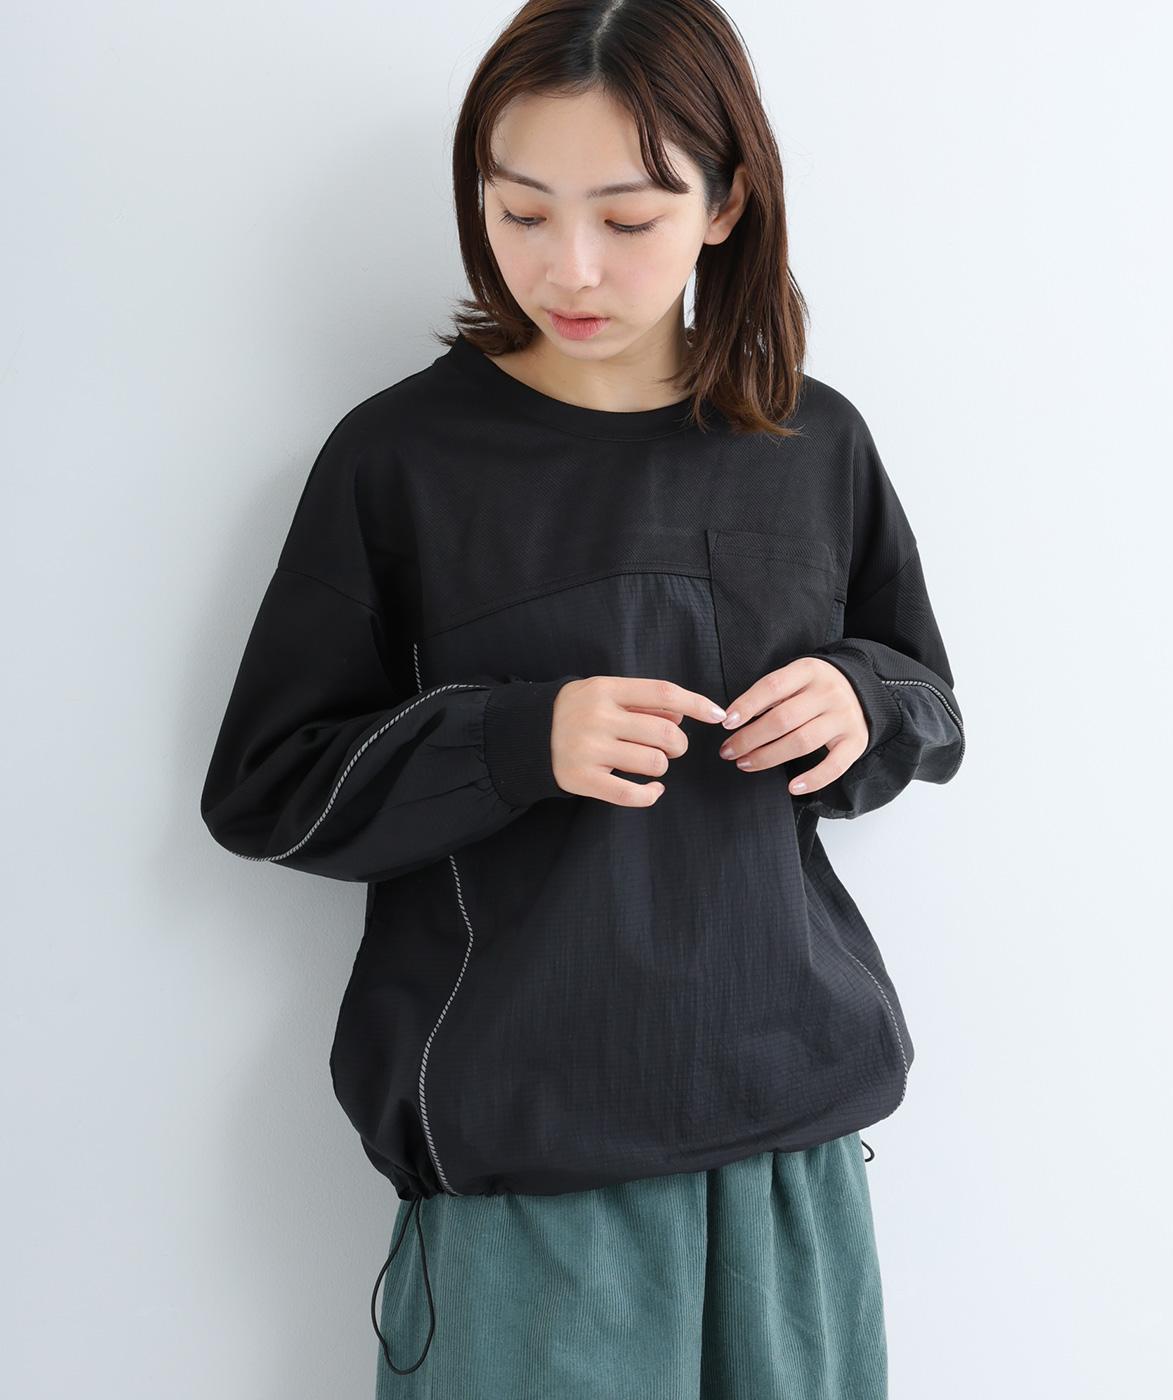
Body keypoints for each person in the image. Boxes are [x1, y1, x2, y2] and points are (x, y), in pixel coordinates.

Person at [200, 2, 965, 1395]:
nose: (569, 266)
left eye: (627, 217)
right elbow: (269, 789)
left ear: (726, 203)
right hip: (528, 1166)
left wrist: (863, 701)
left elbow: (927, 701)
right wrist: (514, 740)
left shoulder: (812, 440)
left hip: (791, 1139)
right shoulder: (402, 460)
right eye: (520, 211)